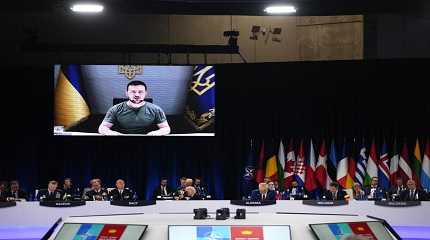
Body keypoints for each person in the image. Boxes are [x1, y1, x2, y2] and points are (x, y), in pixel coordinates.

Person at [98, 80, 171, 136]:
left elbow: (166, 128)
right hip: (121, 142)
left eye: (140, 92)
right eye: (133, 92)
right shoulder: (115, 109)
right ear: (126, 93)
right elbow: (102, 128)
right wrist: (114, 134)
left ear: (145, 93)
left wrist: (154, 133)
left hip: (148, 142)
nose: (137, 95)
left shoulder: (156, 109)